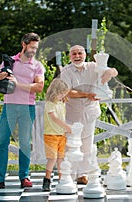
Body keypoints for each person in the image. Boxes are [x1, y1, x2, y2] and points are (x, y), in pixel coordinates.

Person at [0, 32, 45, 189]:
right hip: (9, 106)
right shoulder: (9, 61)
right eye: (32, 47)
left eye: (36, 48)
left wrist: (17, 83)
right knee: (2, 142)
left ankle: (24, 177)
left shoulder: (37, 66)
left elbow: (39, 87)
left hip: (27, 108)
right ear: (24, 44)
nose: (34, 51)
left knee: (24, 143)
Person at [60, 45, 118, 184]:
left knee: (87, 144)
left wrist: (108, 74)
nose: (77, 56)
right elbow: (67, 92)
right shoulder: (66, 71)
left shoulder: (93, 66)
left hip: (90, 113)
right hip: (72, 114)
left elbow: (114, 71)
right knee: (72, 145)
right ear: (70, 56)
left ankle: (83, 174)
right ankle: (70, 174)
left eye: (80, 53)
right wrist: (86, 95)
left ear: (85, 55)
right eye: (74, 54)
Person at [42, 78, 72, 191]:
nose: (62, 96)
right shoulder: (50, 104)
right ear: (54, 92)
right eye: (60, 93)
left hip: (61, 135)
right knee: (52, 159)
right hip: (51, 135)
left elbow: (62, 117)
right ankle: (47, 179)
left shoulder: (61, 103)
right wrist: (66, 127)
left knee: (61, 158)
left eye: (64, 94)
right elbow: (54, 118)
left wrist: (65, 129)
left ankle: (62, 179)